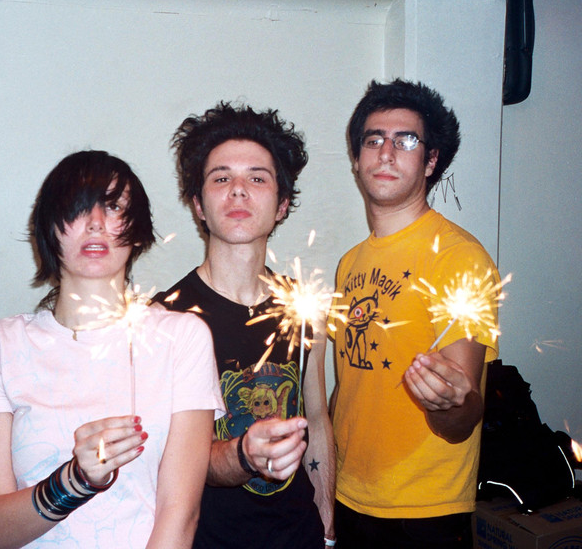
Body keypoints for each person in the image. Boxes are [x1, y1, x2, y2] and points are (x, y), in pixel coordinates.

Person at [0, 150, 224, 549]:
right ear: (49, 229)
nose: (96, 222)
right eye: (78, 208)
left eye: (113, 207)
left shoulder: (181, 339)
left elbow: (180, 514)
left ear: (137, 231)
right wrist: (75, 481)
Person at [154, 102, 336, 548]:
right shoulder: (163, 320)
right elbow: (170, 458)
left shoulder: (304, 307)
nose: (238, 191)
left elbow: (315, 419)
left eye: (257, 178)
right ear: (198, 205)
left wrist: (327, 523)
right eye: (221, 178)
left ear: (282, 205)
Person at [328, 79, 500, 548]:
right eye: (373, 140)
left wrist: (450, 402)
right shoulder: (350, 263)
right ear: (357, 159)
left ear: (430, 161)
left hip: (424, 512)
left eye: (405, 141)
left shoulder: (459, 258)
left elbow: (463, 416)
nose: (386, 153)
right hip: (349, 497)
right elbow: (349, 385)